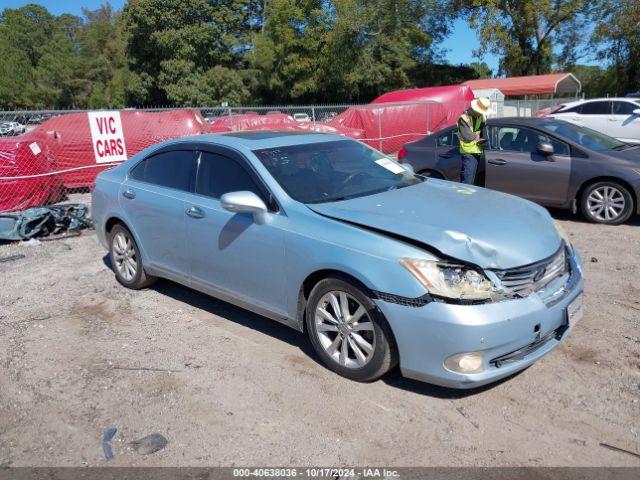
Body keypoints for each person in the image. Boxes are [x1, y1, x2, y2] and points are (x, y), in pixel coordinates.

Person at [457, 97, 490, 185]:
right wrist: (478, 134)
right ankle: (464, 198)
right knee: (467, 182)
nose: (481, 113)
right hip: (468, 153)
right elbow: (468, 136)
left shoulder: (482, 116)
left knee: (473, 181)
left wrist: (480, 137)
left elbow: (483, 131)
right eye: (480, 111)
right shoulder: (463, 118)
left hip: (478, 151)